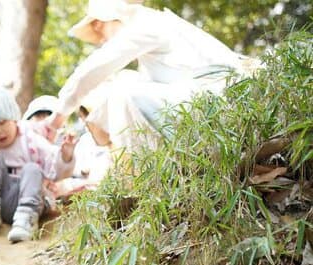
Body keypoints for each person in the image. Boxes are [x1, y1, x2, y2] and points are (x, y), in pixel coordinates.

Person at [47, 0, 249, 153]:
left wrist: (56, 118)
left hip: (217, 108)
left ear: (103, 21)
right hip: (213, 105)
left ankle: (135, 180)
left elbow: (92, 70)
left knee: (121, 91)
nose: (101, 40)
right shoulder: (159, 24)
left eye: (97, 27)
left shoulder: (144, 24)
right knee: (126, 81)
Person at [0, 74, 75, 242]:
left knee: (32, 168)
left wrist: (66, 155)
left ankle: (26, 221)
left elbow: (53, 168)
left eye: (2, 122)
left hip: (32, 201)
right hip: (2, 203)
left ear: (13, 118)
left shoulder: (30, 139)